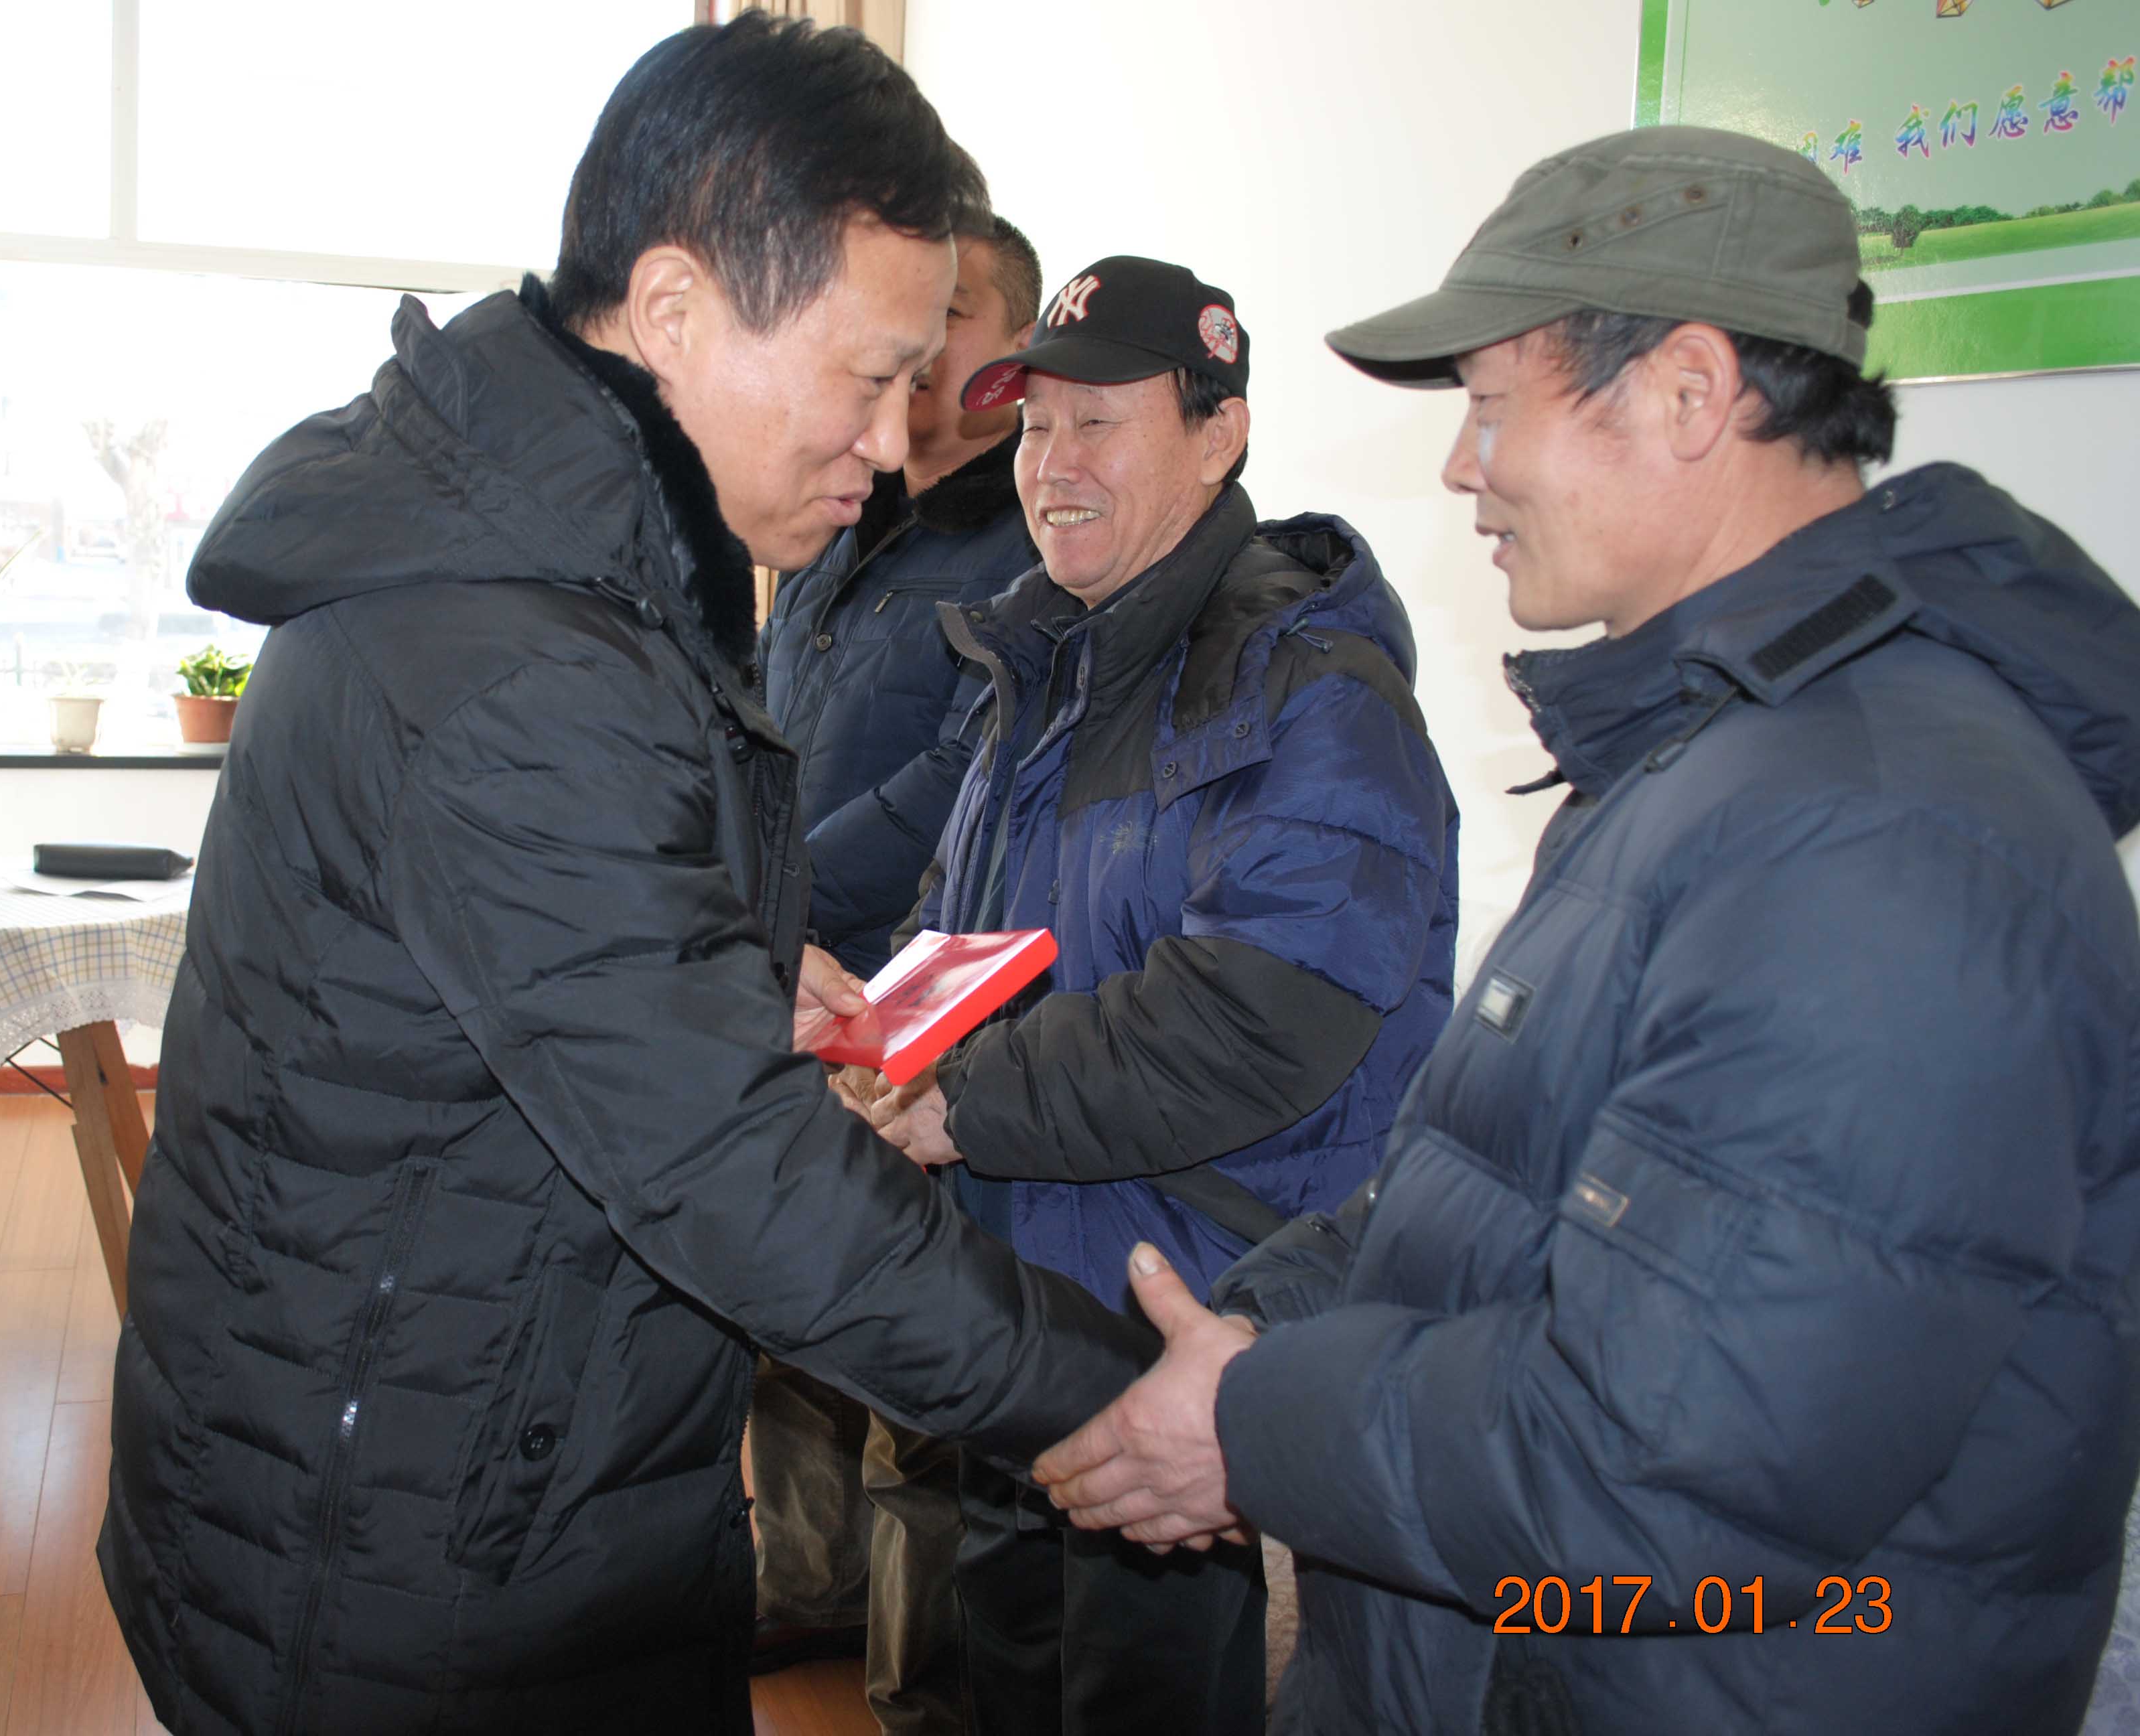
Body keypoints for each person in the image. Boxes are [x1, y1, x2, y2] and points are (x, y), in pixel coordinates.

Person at [96, 19, 1155, 1736]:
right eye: (869, 378)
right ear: (673, 310)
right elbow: (727, 1170)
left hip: (466, 1448)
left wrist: (715, 972)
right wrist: (1119, 1402)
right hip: (413, 1555)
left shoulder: (563, 558)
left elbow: (521, 970)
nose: (893, 446)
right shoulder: (516, 658)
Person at [1033, 126, 2140, 1736]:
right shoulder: (1716, 757)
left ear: (1688, 394)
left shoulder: (1878, 842)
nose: (1459, 468)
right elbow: (1511, 1187)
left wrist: (1252, 1422)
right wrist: (1270, 1316)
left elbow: (1669, 1470)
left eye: (1492, 408)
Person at [862, 257, 1459, 1735]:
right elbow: (965, 926)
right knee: (1004, 1677)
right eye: (1032, 427)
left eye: (1098, 423)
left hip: (1180, 1309)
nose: (1051, 465)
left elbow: (1256, 1014)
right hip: (1016, 1297)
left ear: (1219, 433)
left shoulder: (1308, 687)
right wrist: (877, 1036)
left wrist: (958, 1099)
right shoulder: (1044, 664)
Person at [745, 215, 1042, 1729]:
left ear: (1018, 350)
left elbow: (958, 780)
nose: (923, 355)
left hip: (919, 1001)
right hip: (786, 983)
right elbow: (763, 722)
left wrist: (772, 893)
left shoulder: (1031, 539)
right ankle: (804, 1585)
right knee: (785, 1318)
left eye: (957, 316)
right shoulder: (841, 513)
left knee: (911, 1362)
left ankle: (917, 1675)